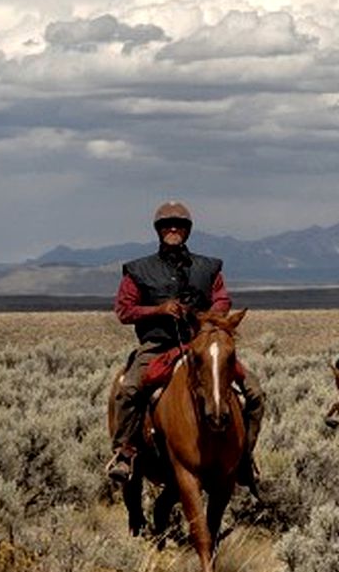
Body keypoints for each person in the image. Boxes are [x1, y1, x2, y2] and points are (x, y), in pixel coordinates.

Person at [106, 201, 266, 494]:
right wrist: (159, 310)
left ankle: (244, 457)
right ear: (158, 230)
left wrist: (204, 315)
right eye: (167, 225)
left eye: (179, 225)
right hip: (157, 346)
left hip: (200, 345)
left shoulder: (208, 267)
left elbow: (222, 299)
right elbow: (124, 310)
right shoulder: (138, 270)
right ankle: (124, 453)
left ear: (187, 230)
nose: (173, 229)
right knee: (129, 389)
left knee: (254, 392)